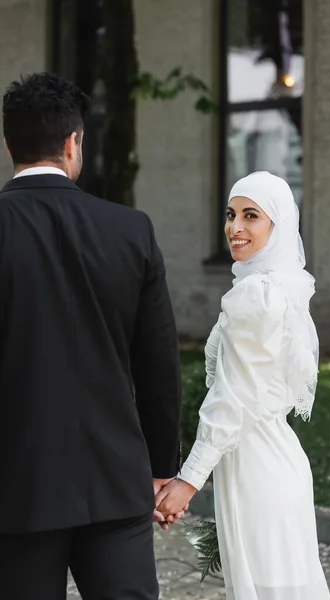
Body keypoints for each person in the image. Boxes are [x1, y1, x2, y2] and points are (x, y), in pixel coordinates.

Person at [0, 72, 182, 600]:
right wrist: (160, 468)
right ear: (74, 141)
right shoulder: (131, 230)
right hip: (114, 480)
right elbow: (158, 362)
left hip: (17, 487)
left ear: (9, 143)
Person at [156, 171, 330, 600]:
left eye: (251, 216)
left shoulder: (258, 295)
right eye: (231, 214)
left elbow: (232, 399)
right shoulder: (279, 289)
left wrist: (188, 481)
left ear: (277, 226)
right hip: (272, 461)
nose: (235, 227)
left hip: (259, 472)